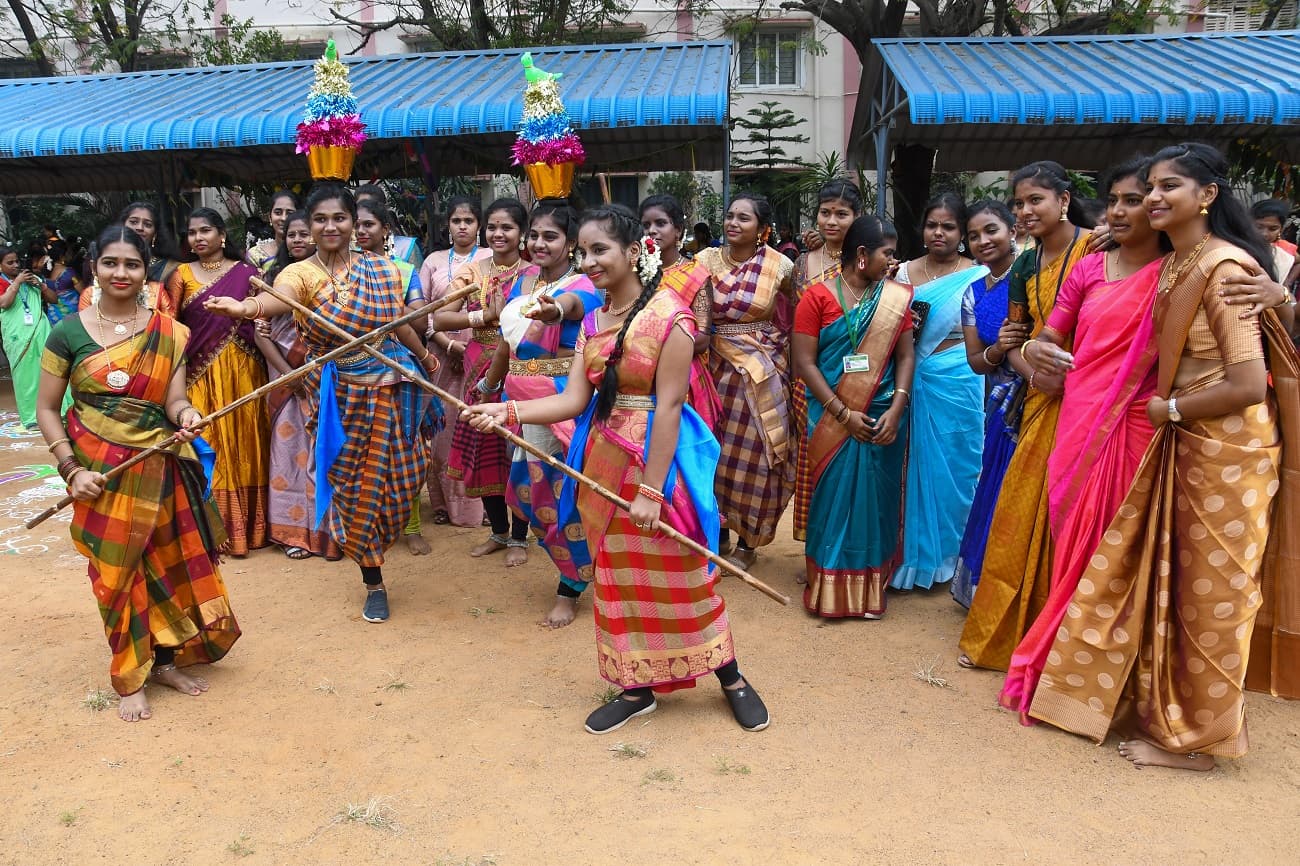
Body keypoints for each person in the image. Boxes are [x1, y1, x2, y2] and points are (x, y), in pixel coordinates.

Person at [1028, 143, 1298, 770]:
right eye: (1147, 187)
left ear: (1207, 195)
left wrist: (1167, 411)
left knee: (1212, 596)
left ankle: (1199, 745)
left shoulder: (1224, 266)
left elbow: (1249, 383)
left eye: (1167, 186)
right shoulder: (1182, 260)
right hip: (1192, 443)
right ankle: (1169, 715)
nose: (1152, 197)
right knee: (1177, 588)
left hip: (1230, 450)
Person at [462, 204, 769, 735]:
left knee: (682, 574)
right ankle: (635, 687)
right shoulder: (596, 322)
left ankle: (730, 676)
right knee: (618, 579)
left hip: (658, 469)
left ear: (633, 252)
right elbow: (573, 400)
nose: (590, 260)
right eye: (585, 251)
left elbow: (669, 407)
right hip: (601, 464)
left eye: (599, 249)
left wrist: (652, 491)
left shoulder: (669, 317)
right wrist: (505, 411)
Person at [205, 183, 439, 623]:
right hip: (337, 396)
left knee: (406, 477)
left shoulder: (386, 270)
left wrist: (425, 358)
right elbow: (280, 300)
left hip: (393, 384)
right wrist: (248, 308)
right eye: (320, 220)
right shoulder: (298, 273)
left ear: (354, 222)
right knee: (353, 486)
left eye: (339, 218)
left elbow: (399, 324)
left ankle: (382, 542)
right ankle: (373, 578)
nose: (330, 227)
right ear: (308, 226)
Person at [36, 225, 240, 722]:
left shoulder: (168, 333)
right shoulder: (67, 332)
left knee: (166, 564)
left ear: (146, 269)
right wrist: (69, 468)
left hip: (157, 465)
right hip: (98, 474)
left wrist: (187, 416)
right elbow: (46, 408)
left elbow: (173, 400)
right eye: (110, 263)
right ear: (94, 266)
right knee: (116, 571)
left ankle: (165, 661)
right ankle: (130, 674)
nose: (120, 272)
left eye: (131, 263)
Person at [996, 158, 1168, 715]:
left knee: (1123, 554)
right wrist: (1034, 353)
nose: (1119, 211)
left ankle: (1125, 686)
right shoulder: (1090, 269)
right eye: (1114, 199)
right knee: (1076, 546)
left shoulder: (1184, 269)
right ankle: (1072, 674)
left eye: (1135, 200)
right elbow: (1043, 339)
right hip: (1076, 421)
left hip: (1141, 426)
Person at [959, 161, 1092, 670]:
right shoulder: (1026, 266)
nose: (1025, 210)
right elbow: (1014, 339)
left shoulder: (1097, 250)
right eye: (1018, 203)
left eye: (1035, 200)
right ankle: (1015, 631)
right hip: (1038, 398)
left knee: (1074, 514)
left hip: (1094, 394)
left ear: (1063, 198)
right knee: (1018, 512)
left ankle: (1070, 636)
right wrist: (1035, 373)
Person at [478, 199, 603, 628]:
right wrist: (488, 385)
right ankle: (580, 569)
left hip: (560, 402)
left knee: (563, 495)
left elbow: (569, 306)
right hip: (521, 405)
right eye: (534, 235)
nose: (538, 243)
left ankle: (571, 587)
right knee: (533, 493)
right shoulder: (524, 283)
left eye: (550, 236)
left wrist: (552, 310)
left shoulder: (585, 285)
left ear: (570, 243)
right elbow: (505, 343)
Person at [795, 215, 915, 618]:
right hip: (832, 416)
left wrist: (896, 409)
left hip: (881, 416)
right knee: (833, 499)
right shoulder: (817, 298)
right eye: (887, 253)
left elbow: (905, 356)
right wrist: (842, 412)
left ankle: (869, 591)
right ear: (862, 255)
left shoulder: (897, 297)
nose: (892, 261)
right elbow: (804, 363)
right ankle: (829, 589)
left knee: (876, 501)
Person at [696, 193, 795, 570]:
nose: (733, 223)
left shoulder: (781, 266)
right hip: (711, 365)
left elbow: (797, 308)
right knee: (714, 453)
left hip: (763, 369)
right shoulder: (704, 261)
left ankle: (749, 542)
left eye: (744, 218)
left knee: (756, 455)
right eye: (730, 216)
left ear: (762, 229)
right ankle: (716, 531)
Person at [893, 193, 985, 591]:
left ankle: (950, 559)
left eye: (948, 226)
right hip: (909, 375)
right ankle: (910, 560)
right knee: (908, 467)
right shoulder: (900, 273)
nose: (939, 233)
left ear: (962, 232)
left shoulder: (978, 275)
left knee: (959, 468)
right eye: (932, 225)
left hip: (960, 377)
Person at [167, 208, 270, 557]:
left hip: (245, 370)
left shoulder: (248, 273)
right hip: (199, 373)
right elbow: (170, 326)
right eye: (192, 232)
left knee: (247, 441)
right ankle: (216, 529)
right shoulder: (180, 274)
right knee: (209, 443)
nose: (198, 238)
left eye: (205, 230)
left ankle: (254, 530)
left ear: (222, 234)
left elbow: (264, 316)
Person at [434, 199, 531, 565]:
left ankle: (521, 539)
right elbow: (441, 318)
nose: (498, 233)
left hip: (522, 370)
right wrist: (482, 316)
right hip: (480, 371)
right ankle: (499, 533)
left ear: (521, 233)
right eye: (492, 227)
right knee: (485, 452)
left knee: (518, 453)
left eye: (507, 227)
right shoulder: (473, 271)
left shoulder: (533, 273)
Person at [252, 211, 338, 561]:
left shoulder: (332, 279)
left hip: (327, 379)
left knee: (327, 452)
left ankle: (330, 535)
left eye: (305, 234)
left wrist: (311, 372)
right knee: (288, 455)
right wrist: (291, 373)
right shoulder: (270, 280)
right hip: (286, 380)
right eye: (292, 235)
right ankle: (294, 534)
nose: (298, 240)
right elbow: (262, 336)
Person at [952, 200, 1023, 607]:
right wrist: (1000, 350)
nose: (983, 241)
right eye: (975, 236)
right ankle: (990, 592)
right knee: (995, 491)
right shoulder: (973, 293)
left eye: (991, 230)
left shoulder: (1032, 276)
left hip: (1040, 397)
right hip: (1001, 405)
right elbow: (976, 361)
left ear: (1013, 230)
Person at [356, 197, 431, 556]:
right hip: (349, 373)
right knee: (355, 453)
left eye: (369, 224)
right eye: (355, 223)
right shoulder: (337, 275)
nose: (360, 230)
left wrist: (388, 299)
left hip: (396, 370)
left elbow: (418, 321)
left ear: (386, 230)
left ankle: (411, 526)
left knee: (406, 446)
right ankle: (362, 530)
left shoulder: (402, 271)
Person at [789, 180, 861, 545]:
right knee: (813, 461)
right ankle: (817, 547)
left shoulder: (867, 260)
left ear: (858, 216)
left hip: (859, 380)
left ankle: (847, 547)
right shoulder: (802, 263)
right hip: (809, 383)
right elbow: (793, 326)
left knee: (850, 464)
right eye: (825, 213)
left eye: (842, 214)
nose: (831, 221)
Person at [417, 196, 491, 528]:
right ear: (447, 225)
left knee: (481, 425)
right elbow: (422, 312)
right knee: (443, 429)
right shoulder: (432, 261)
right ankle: (445, 504)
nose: (462, 226)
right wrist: (449, 345)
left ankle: (486, 505)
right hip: (440, 354)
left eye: (469, 221)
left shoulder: (491, 258)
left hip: (485, 355)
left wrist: (470, 347)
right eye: (456, 220)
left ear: (479, 226)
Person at [638, 194, 721, 427]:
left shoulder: (696, 275)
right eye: (645, 225)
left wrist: (649, 348)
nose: (651, 231)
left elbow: (703, 339)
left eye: (660, 223)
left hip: (683, 377)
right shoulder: (631, 273)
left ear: (678, 231)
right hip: (635, 375)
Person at [1, 246, 67, 429]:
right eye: (10, 262)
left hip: (41, 331)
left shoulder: (33, 279)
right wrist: (17, 283)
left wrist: (41, 286)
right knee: (25, 375)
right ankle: (31, 417)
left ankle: (61, 411)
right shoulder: (1, 282)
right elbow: (4, 303)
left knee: (51, 370)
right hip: (17, 336)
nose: (15, 265)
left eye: (17, 261)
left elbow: (54, 300)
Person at [77, 202, 181, 316]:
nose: (140, 228)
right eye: (133, 222)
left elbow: (171, 318)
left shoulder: (170, 268)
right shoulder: (91, 292)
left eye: (147, 224)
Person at [355, 183, 423, 266]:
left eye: (370, 206)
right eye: (360, 206)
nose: (364, 211)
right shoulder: (348, 250)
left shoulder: (406, 247)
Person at [247, 189, 302, 273]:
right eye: (278, 212)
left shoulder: (309, 250)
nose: (283, 218)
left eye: (290, 213)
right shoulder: (256, 255)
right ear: (270, 217)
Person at [1251, 198, 1300, 290]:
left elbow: (1298, 262)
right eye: (1259, 227)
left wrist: (1288, 282)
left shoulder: (1283, 251)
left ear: (1281, 229)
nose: (1264, 233)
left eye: (1273, 229)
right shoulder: (1237, 247)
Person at [42, 239, 81, 324]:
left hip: (53, 317)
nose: (70, 255)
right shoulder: (69, 273)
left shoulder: (45, 273)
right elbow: (83, 291)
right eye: (68, 253)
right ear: (61, 256)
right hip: (71, 316)